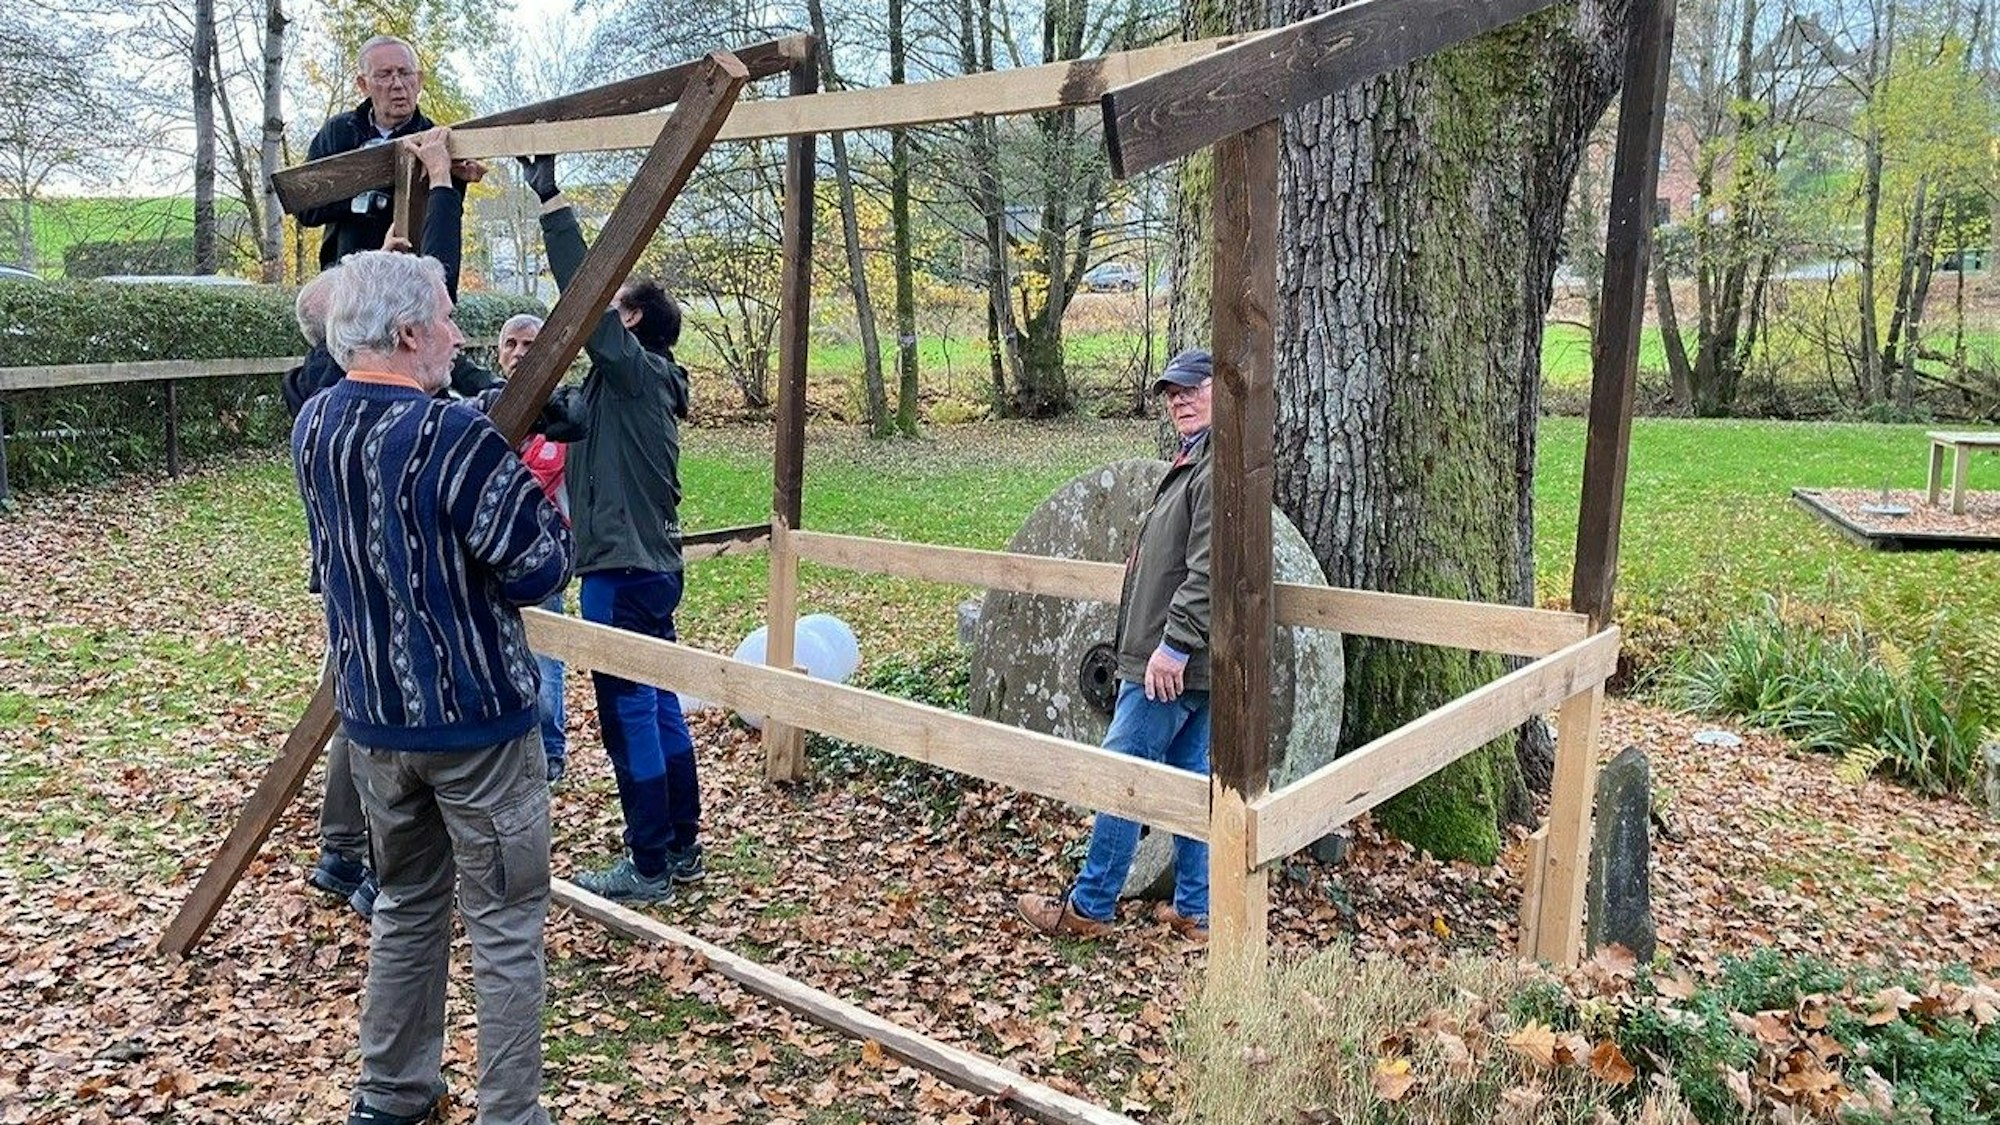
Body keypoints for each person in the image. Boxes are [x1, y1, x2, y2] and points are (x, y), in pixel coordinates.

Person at [292, 249, 570, 1125]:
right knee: (506, 927)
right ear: (410, 333)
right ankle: (510, 1113)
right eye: (447, 317)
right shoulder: (450, 435)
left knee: (407, 907)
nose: (458, 333)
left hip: (374, 724)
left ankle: (391, 1095)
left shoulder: (316, 422)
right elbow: (539, 563)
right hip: (478, 724)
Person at [522, 154, 703, 903]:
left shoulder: (632, 374)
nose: (604, 313)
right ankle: (680, 845)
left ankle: (650, 863)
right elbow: (555, 413)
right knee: (657, 703)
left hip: (622, 574)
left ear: (631, 324)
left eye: (616, 306)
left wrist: (553, 205)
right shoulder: (621, 393)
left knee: (629, 714)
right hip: (645, 567)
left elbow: (586, 299)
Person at [1017, 348, 1216, 942]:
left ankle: (1090, 907)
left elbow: (1208, 570)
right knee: (1186, 784)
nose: (1178, 400)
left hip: (1171, 662)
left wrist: (1174, 646)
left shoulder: (1214, 469)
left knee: (1120, 776)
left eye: (1191, 389)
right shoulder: (1192, 462)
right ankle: (1195, 911)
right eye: (1171, 392)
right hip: (1188, 660)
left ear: (1222, 392)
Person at [496, 312, 573, 784]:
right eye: (511, 345)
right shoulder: (484, 407)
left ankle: (550, 752)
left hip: (539, 558)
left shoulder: (558, 411)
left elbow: (530, 479)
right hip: (489, 561)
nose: (520, 354)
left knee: (544, 661)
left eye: (530, 344)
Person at [297, 36, 441, 270]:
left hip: (410, 280)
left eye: (405, 73)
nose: (398, 84)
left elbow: (442, 216)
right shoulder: (338, 132)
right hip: (346, 279)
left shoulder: (432, 139)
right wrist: (361, 198)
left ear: (420, 80)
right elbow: (306, 209)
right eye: (384, 75)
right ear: (363, 85)